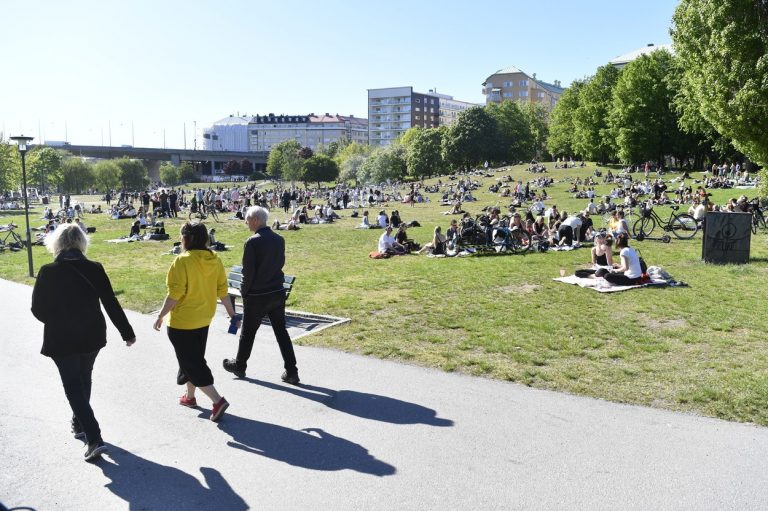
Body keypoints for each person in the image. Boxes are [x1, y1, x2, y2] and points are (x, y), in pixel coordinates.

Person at [31, 224, 136, 461]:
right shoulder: (94, 268)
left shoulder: (48, 271)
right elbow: (111, 302)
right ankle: (79, 423)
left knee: (73, 388)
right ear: (81, 243)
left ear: (56, 243)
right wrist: (126, 332)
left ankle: (94, 437)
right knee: (83, 378)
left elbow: (37, 310)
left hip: (62, 338)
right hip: (92, 335)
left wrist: (57, 319)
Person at [154, 222, 236, 422]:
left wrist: (160, 315)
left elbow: (175, 294)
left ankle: (217, 400)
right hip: (204, 318)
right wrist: (232, 315)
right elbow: (223, 291)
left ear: (186, 238)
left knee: (192, 362)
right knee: (193, 358)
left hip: (182, 322)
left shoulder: (182, 261)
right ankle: (190, 397)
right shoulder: (214, 260)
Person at [223, 206, 300, 384]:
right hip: (276, 292)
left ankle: (240, 365)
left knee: (248, 333)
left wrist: (244, 292)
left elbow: (247, 273)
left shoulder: (252, 242)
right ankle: (292, 371)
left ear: (256, 220)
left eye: (248, 219)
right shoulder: (279, 239)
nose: (246, 222)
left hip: (258, 295)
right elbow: (280, 263)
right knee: (281, 332)